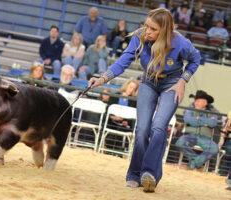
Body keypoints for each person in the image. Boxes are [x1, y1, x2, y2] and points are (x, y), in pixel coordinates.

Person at [88, 8, 201, 192]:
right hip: (148, 81)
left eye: (153, 29)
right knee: (141, 130)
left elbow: (196, 59)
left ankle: (149, 174)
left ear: (164, 30)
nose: (147, 31)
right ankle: (134, 174)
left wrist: (183, 80)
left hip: (172, 83)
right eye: (146, 26)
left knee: (158, 128)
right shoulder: (140, 37)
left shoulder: (181, 43)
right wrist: (103, 78)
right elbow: (124, 60)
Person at [176, 90, 219, 170]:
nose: (196, 103)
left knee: (214, 148)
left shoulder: (212, 112)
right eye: (196, 101)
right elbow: (188, 120)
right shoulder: (189, 109)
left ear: (205, 103)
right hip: (190, 136)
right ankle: (198, 163)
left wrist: (197, 119)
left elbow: (213, 123)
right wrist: (205, 122)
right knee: (180, 142)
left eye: (199, 101)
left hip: (205, 138)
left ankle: (193, 164)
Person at [219, 115, 231, 190]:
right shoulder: (228, 120)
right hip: (228, 141)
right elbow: (224, 131)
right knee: (229, 150)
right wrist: (221, 138)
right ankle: (224, 174)